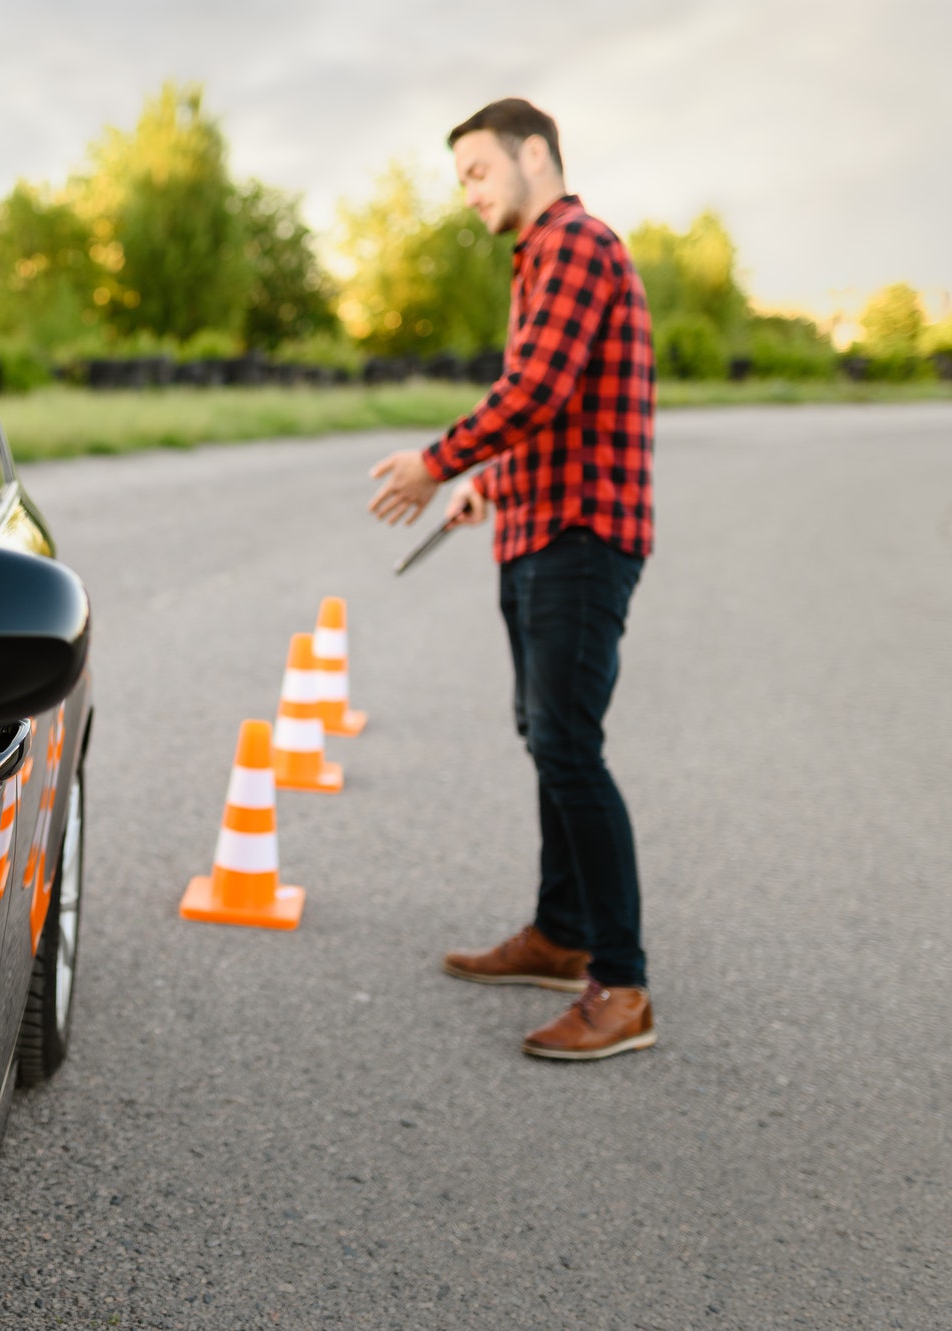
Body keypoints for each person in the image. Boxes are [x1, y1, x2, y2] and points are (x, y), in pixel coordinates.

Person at [366, 98, 657, 1061]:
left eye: (479, 171)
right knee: (547, 736)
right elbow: (553, 413)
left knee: (570, 746)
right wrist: (489, 481)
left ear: (537, 154)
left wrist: (438, 462)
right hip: (539, 525)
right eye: (463, 181)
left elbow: (534, 391)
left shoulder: (574, 241)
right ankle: (560, 931)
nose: (471, 194)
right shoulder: (541, 258)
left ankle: (621, 985)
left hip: (580, 538)